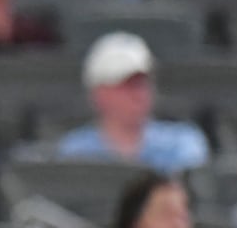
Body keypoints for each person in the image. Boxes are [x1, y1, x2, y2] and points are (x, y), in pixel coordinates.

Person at [56, 32, 211, 174]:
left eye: (143, 84)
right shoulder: (75, 152)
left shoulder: (182, 143)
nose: (138, 94)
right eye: (126, 85)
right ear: (99, 93)